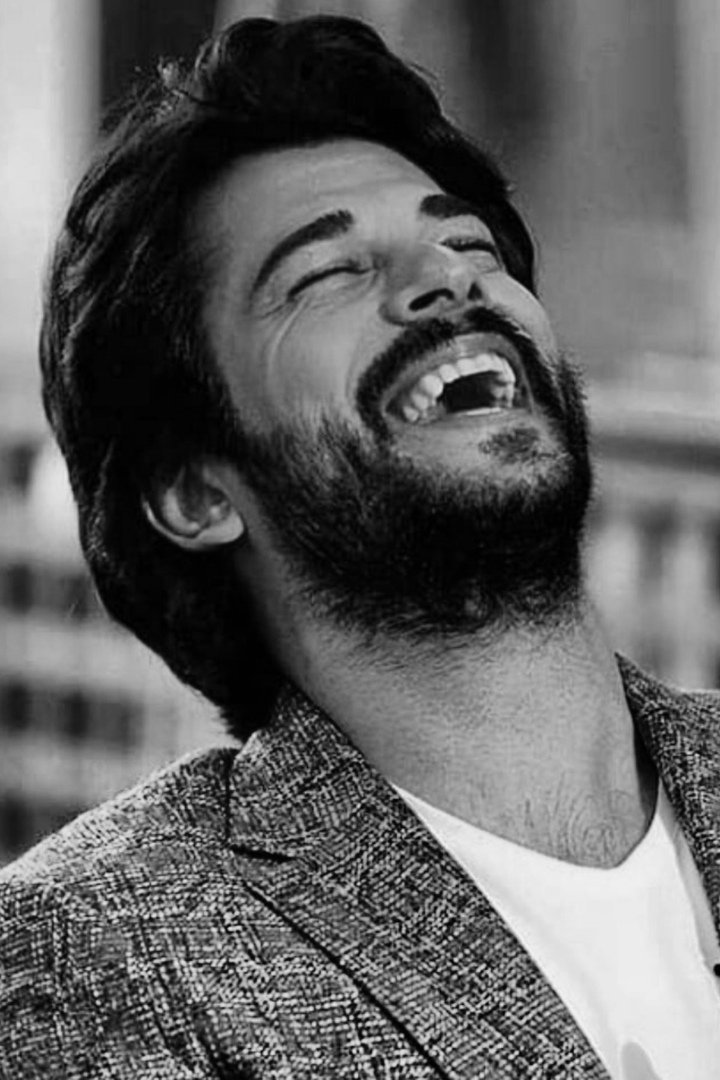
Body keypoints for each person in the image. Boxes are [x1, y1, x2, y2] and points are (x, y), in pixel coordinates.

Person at [1, 14, 718, 1079]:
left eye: (469, 245)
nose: (447, 280)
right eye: (327, 273)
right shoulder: (95, 955)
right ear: (197, 494)